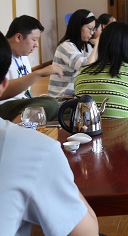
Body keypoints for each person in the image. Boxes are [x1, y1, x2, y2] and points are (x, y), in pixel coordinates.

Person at [0, 31, 99, 235]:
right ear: (3, 85)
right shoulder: (35, 151)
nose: (91, 32)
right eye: (34, 39)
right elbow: (87, 233)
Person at [0, 15, 62, 121]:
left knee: (63, 110)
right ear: (18, 37)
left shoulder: (22, 55)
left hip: (22, 104)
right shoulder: (2, 54)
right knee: (50, 104)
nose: (36, 45)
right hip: (5, 106)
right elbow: (2, 92)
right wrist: (38, 73)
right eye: (34, 39)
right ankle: (16, 128)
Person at [48, 9, 99, 100]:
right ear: (78, 27)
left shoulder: (85, 46)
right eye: (89, 29)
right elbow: (86, 66)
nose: (92, 33)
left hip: (73, 96)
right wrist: (97, 44)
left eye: (93, 29)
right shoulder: (65, 46)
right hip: (61, 100)